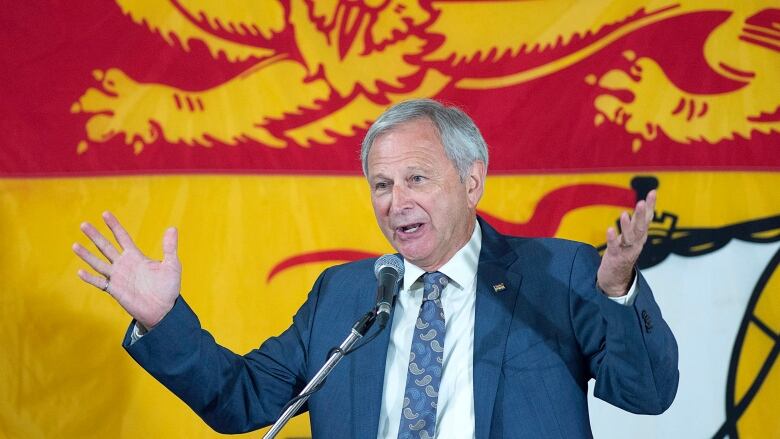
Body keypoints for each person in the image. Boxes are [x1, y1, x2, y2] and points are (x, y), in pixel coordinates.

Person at [73, 99, 678, 438]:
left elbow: (648, 396)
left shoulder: (560, 271)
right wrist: (162, 320)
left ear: (471, 182)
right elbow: (244, 400)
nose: (396, 201)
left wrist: (618, 292)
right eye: (381, 184)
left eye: (417, 179)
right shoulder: (346, 293)